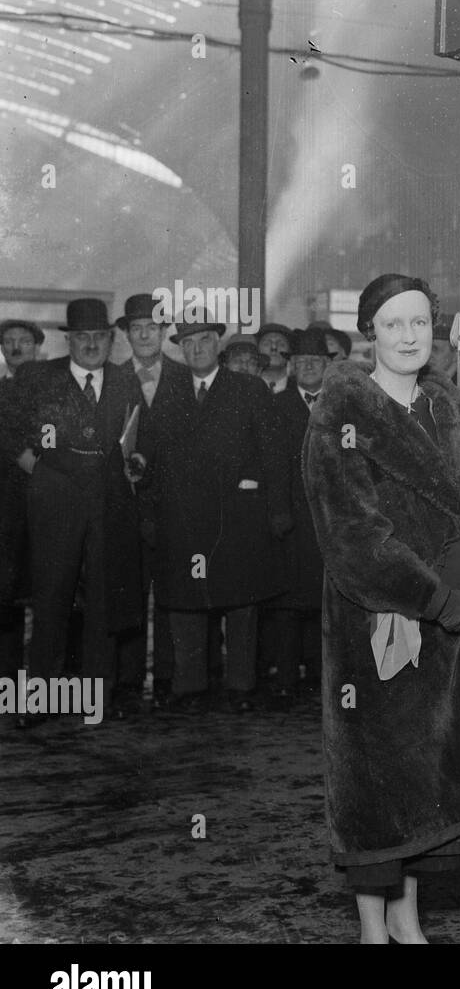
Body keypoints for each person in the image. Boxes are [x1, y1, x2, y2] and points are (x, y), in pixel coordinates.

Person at [302, 274, 460, 945]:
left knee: (427, 773)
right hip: (377, 617)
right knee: (374, 774)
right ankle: (372, 928)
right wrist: (437, 597)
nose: (409, 335)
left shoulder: (445, 410)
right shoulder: (341, 411)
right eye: (393, 324)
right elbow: (354, 536)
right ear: (371, 332)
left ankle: (408, 921)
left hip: (443, 623)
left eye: (420, 322)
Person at [0, 298, 148, 724]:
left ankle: (94, 699)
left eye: (98, 337)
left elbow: (139, 434)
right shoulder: (37, 376)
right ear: (70, 340)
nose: (90, 344)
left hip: (107, 497)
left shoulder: (124, 381)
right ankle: (42, 699)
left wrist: (137, 461)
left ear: (109, 340)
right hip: (55, 496)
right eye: (82, 337)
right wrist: (33, 464)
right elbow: (5, 424)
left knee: (102, 598)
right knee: (51, 596)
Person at [142, 311, 290, 714]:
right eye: (187, 343)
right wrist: (151, 516)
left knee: (242, 602)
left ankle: (241, 686)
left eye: (203, 340)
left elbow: (274, 455)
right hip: (183, 519)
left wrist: (277, 510)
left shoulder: (248, 388)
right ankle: (190, 686)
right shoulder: (169, 393)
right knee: (187, 602)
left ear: (217, 344)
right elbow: (151, 459)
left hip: (238, 517)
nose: (195, 349)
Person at [114, 294, 189, 711]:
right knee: (128, 593)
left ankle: (166, 678)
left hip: (174, 507)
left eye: (152, 328)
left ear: (163, 333)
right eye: (136, 328)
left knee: (172, 594)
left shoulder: (184, 377)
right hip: (126, 506)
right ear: (126, 335)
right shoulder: (111, 376)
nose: (144, 335)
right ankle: (127, 682)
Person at [265, 327, 330, 700]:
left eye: (315, 361)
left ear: (326, 365)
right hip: (289, 520)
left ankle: (324, 680)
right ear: (290, 366)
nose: (307, 367)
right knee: (287, 606)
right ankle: (286, 681)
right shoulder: (276, 405)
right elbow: (272, 466)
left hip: (328, 522)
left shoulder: (341, 405)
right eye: (301, 361)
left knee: (325, 606)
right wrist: (277, 512)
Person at [0, 319, 43, 681]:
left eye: (24, 341)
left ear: (37, 347)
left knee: (54, 588)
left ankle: (59, 674)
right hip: (7, 505)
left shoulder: (54, 388)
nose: (16, 348)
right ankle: (8, 676)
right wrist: (19, 454)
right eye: (9, 342)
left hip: (48, 501)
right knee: (7, 589)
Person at [256, 323, 294, 393]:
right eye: (267, 344)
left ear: (290, 351)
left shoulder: (300, 386)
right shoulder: (248, 385)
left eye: (281, 344)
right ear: (257, 350)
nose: (274, 348)